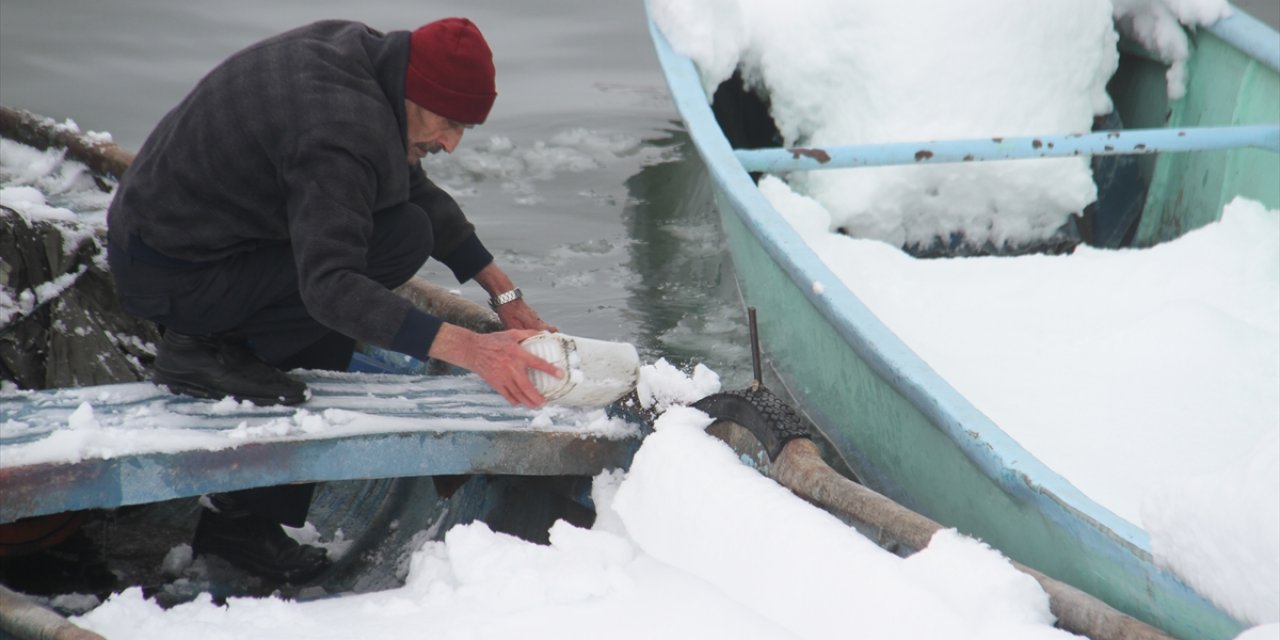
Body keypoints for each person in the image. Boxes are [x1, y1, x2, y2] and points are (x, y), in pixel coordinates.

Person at [105, 17, 562, 583]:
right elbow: (331, 287)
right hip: (173, 272)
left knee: (404, 231)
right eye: (447, 124)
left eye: (463, 128)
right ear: (414, 93)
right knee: (369, 269)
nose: (451, 143)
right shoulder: (340, 126)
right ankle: (201, 359)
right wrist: (474, 350)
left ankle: (238, 492)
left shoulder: (367, 61)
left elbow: (411, 188)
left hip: (193, 238)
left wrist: (504, 294)